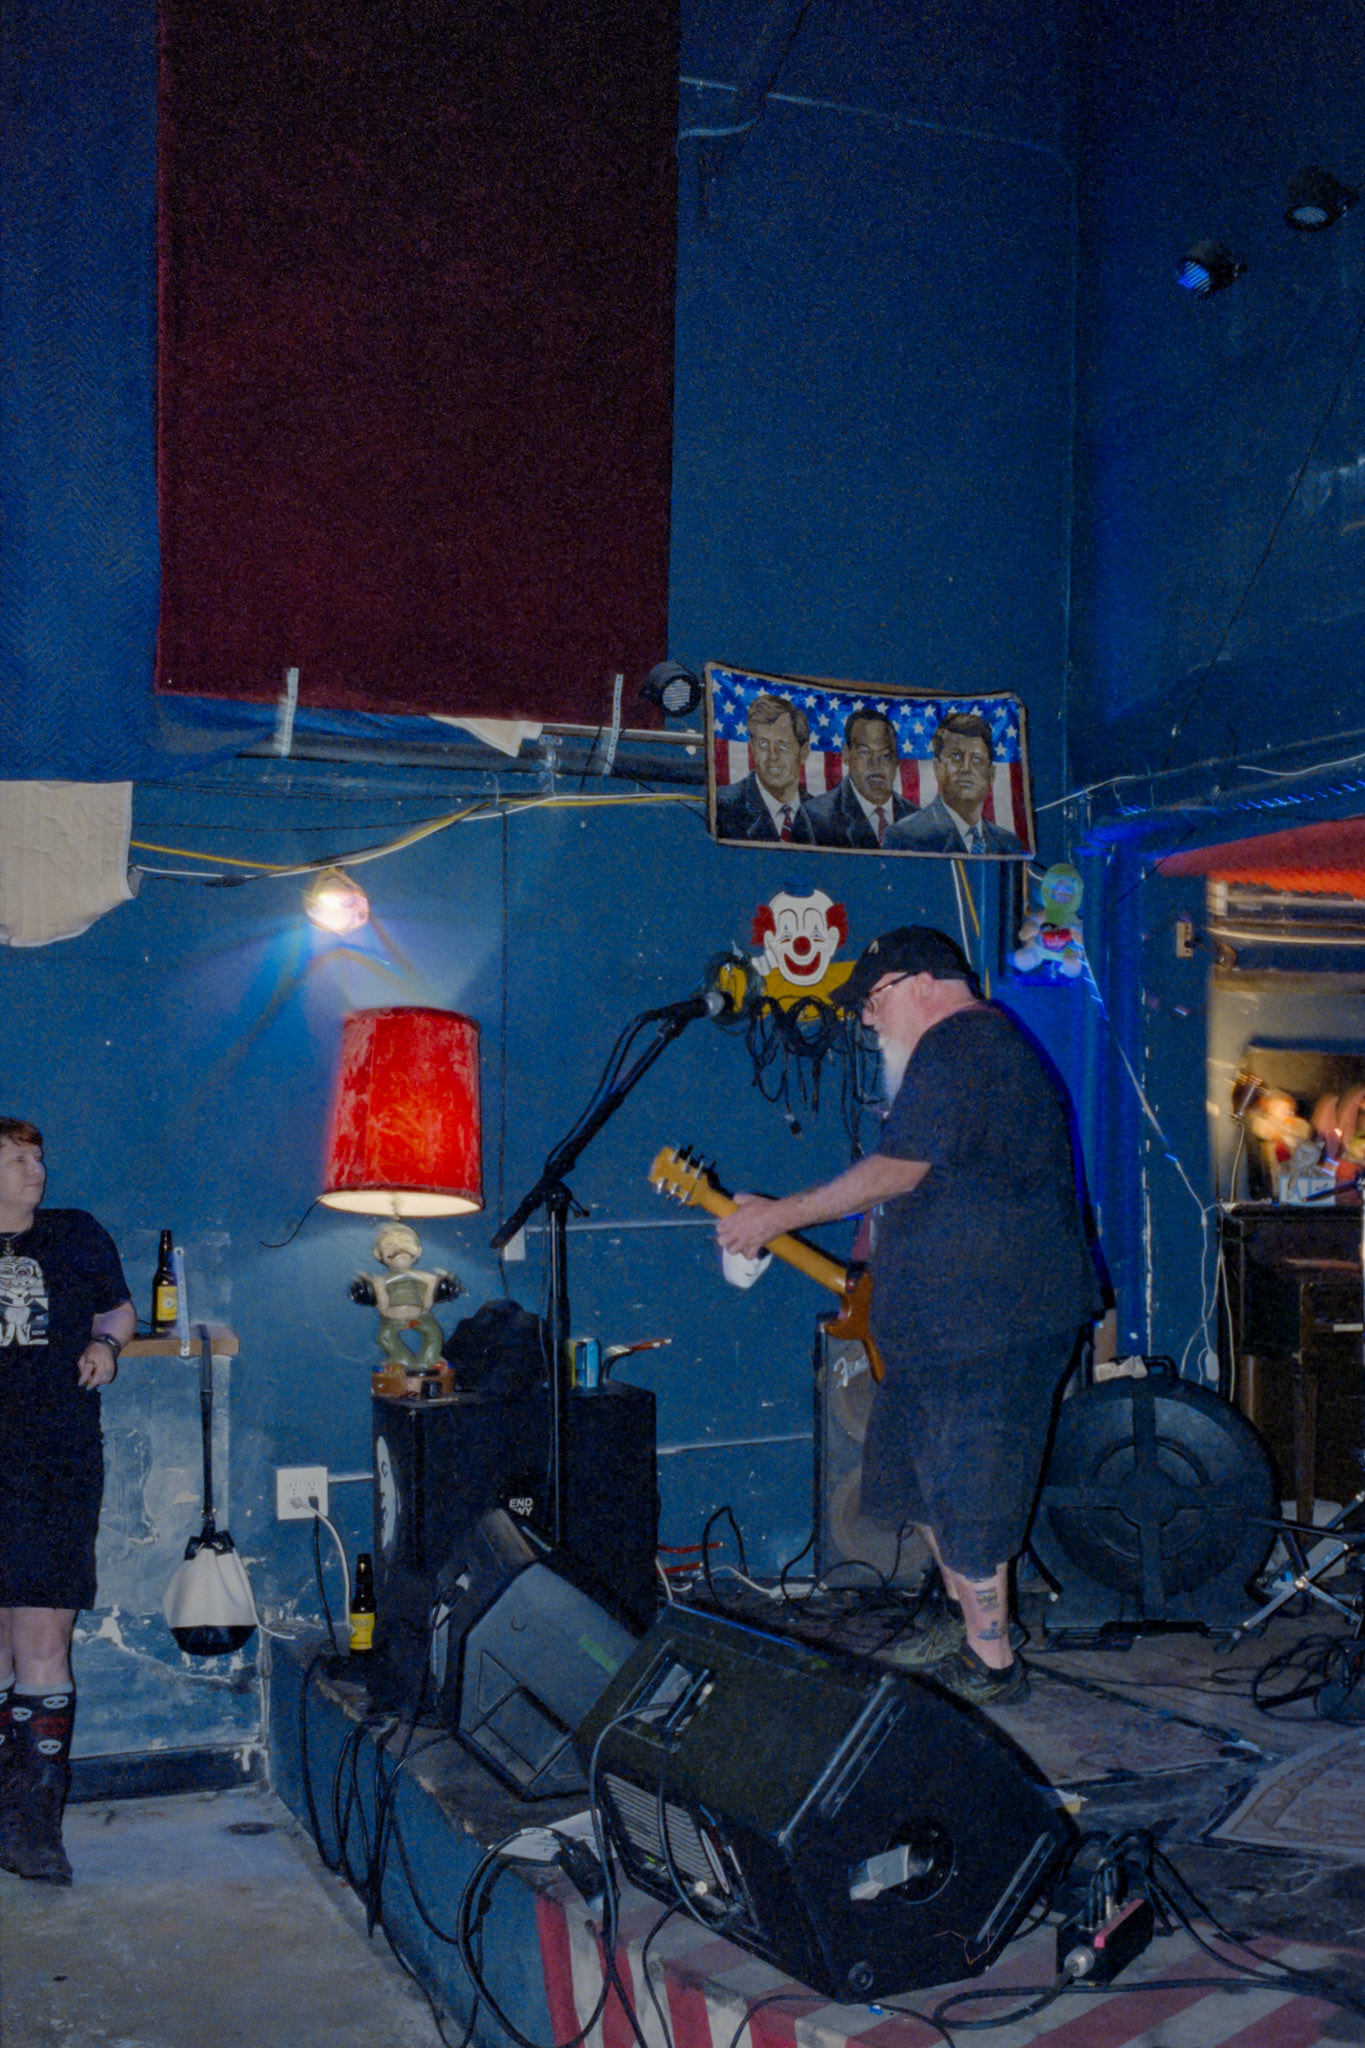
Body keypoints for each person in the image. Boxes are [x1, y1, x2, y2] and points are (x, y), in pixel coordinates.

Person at [715, 929, 1100, 1706]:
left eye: (873, 998)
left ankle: (993, 1663)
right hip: (947, 1325)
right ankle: (969, 1627)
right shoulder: (960, 1054)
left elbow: (896, 1171)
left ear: (922, 982)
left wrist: (776, 1216)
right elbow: (917, 1187)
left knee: (968, 1488)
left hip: (991, 1322)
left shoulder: (964, 1044)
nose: (864, 1019)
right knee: (909, 1481)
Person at [0, 1117, 134, 1883]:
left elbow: (117, 1309)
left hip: (56, 1460)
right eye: (16, 1158)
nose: (36, 1169)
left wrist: (105, 1345)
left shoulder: (76, 1233)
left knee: (44, 1636)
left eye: (38, 1156)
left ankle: (35, 1830)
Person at [883, 712, 1026, 855]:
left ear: (991, 775)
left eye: (976, 759)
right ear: (937, 768)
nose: (966, 768)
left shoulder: (1009, 844)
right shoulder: (903, 837)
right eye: (956, 756)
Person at [803, 709, 916, 848]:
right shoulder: (815, 818)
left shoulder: (916, 819)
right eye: (865, 753)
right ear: (846, 755)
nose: (875, 764)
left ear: (897, 760)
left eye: (885, 755)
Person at [713, 694, 815, 844]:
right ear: (752, 747)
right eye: (763, 744)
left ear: (804, 752)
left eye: (783, 746)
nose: (772, 756)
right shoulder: (722, 806)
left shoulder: (821, 815)